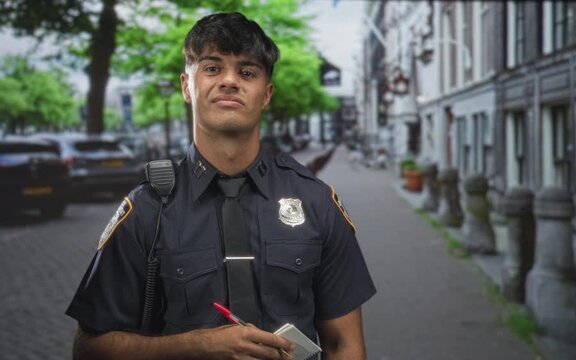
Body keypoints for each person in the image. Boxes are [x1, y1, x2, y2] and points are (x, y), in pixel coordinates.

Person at [66, 12, 376, 360]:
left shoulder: (316, 201)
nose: (230, 81)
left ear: (267, 94)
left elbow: (342, 345)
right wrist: (196, 346)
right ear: (187, 86)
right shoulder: (147, 207)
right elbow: (89, 348)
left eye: (247, 72)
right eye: (212, 68)